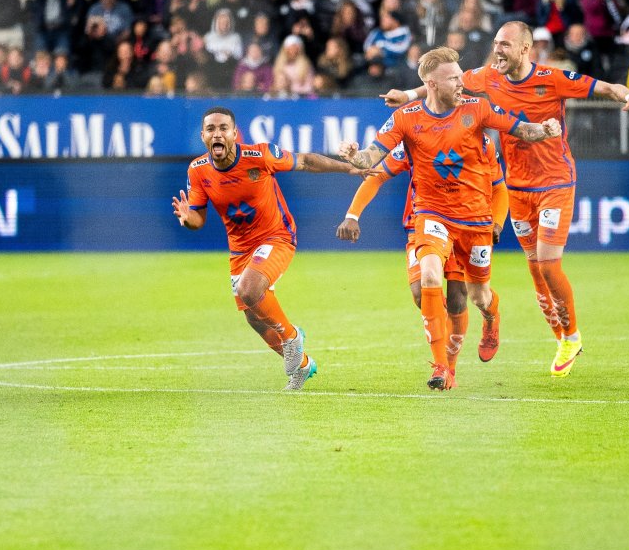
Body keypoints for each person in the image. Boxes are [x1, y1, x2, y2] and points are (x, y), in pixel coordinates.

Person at [384, 22, 629, 375]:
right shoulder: (487, 77)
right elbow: (442, 80)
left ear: (525, 49)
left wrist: (627, 95)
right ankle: (561, 339)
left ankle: (571, 335)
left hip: (555, 182)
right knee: (535, 270)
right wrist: (407, 95)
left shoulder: (552, 78)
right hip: (519, 188)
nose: (497, 50)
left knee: (548, 264)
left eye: (505, 45)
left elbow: (603, 87)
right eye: (496, 42)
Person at [345, 46, 562, 389]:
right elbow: (371, 159)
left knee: (477, 296)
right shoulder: (406, 118)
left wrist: (546, 129)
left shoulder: (478, 110)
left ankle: (491, 316)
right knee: (429, 277)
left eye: (462, 77)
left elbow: (522, 130)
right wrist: (355, 157)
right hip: (431, 214)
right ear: (431, 84)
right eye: (454, 79)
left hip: (475, 221)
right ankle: (441, 367)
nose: (462, 83)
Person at [171, 108, 357, 391]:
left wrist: (349, 168)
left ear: (234, 133)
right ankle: (303, 365)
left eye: (223, 128)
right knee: (254, 318)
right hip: (240, 250)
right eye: (211, 129)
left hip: (276, 236)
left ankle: (292, 337)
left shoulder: (260, 155)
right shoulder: (197, 170)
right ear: (203, 136)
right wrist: (187, 218)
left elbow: (305, 161)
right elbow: (198, 219)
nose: (217, 134)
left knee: (249, 289)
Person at [338, 132, 509, 384]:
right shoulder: (418, 136)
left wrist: (497, 222)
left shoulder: (479, 140)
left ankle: (486, 321)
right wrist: (352, 215)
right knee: (421, 292)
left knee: (465, 299)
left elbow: (498, 187)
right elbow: (378, 175)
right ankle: (443, 366)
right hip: (424, 222)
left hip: (467, 225)